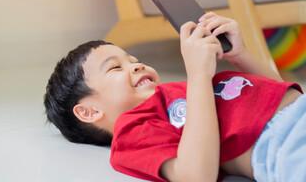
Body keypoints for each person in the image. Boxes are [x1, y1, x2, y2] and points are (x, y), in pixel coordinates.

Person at [44, 12, 305, 182]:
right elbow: (195, 176)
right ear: (89, 111)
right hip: (283, 143)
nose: (137, 66)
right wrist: (199, 75)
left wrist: (240, 55)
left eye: (136, 60)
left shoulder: (177, 90)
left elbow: (277, 90)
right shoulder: (132, 130)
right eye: (115, 68)